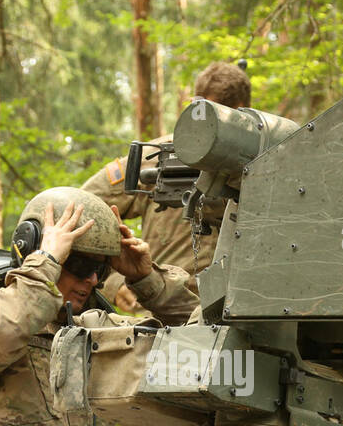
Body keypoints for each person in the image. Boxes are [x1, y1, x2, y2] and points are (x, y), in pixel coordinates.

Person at [0, 187, 197, 426]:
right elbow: (6, 330)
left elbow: (200, 339)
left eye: (100, 269)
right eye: (81, 266)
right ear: (35, 252)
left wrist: (147, 280)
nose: (93, 279)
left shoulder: (97, 329)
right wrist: (46, 260)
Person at [83, 61, 252, 309]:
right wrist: (115, 280)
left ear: (244, 112)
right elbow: (82, 208)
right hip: (162, 315)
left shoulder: (266, 161)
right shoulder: (155, 156)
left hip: (241, 313)